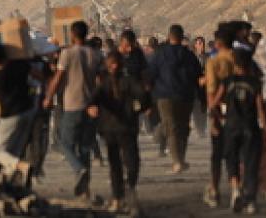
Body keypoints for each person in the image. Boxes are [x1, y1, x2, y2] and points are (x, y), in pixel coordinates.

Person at [44, 20, 101, 203]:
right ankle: (85, 190)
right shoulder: (95, 54)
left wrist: (48, 97)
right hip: (90, 105)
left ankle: (78, 169)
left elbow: (58, 77)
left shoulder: (67, 54)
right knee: (85, 147)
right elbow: (100, 81)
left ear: (72, 34)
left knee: (65, 143)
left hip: (72, 105)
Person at [89, 50, 150, 214]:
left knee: (118, 164)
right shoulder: (125, 81)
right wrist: (141, 108)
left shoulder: (106, 82)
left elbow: (93, 99)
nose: (114, 66)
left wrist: (92, 107)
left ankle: (119, 197)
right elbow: (143, 95)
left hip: (112, 128)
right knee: (129, 162)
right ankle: (125, 191)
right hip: (123, 128)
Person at [214, 48, 266, 214]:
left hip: (231, 127)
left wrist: (220, 118)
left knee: (232, 160)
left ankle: (236, 190)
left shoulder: (227, 81)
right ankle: (250, 201)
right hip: (250, 127)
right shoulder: (255, 83)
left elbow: (214, 103)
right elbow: (260, 109)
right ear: (249, 64)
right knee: (251, 163)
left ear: (234, 64)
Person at [147, 24, 200, 173]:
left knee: (171, 128)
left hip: (165, 97)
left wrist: (149, 97)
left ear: (169, 36)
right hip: (186, 96)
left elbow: (150, 75)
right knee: (183, 128)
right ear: (182, 37)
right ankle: (180, 158)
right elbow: (198, 76)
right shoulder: (189, 55)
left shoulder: (160, 55)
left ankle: (177, 161)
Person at [0, 41, 36, 182]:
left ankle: (24, 166)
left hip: (10, 114)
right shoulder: (19, 65)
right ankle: (11, 183)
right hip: (28, 110)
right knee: (14, 153)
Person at [205, 24, 238, 208]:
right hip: (242, 113)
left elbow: (211, 91)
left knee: (217, 155)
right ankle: (237, 189)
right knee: (236, 153)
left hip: (221, 111)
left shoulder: (214, 62)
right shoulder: (242, 59)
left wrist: (213, 115)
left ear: (217, 43)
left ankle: (215, 190)